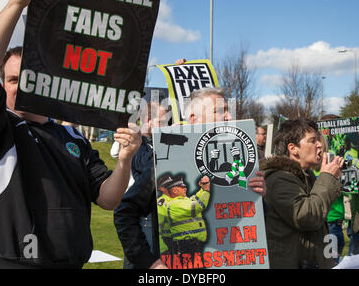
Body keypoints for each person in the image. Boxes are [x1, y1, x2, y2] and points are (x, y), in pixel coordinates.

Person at [0, 0, 141, 269]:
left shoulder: (71, 136)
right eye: (12, 79)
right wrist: (15, 4)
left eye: (28, 75)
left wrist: (124, 161)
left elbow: (108, 199)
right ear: (2, 85)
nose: (21, 85)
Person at [114, 85, 267, 269]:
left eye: (228, 111)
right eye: (221, 111)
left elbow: (251, 222)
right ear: (194, 119)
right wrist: (149, 263)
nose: (229, 117)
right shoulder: (170, 161)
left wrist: (258, 197)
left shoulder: (239, 160)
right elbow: (125, 214)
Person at [260, 118, 344, 269]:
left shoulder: (306, 176)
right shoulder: (278, 178)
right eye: (312, 141)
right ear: (293, 149)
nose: (319, 145)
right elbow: (307, 217)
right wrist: (327, 178)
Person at [114, 101, 170, 269]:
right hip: (144, 222)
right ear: (147, 120)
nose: (166, 125)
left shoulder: (159, 144)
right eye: (161, 121)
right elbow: (146, 165)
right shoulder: (138, 145)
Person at [157, 174, 210, 261]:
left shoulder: (179, 200)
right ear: (162, 189)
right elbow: (159, 227)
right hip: (170, 244)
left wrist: (202, 189)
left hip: (184, 243)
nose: (185, 188)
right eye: (167, 185)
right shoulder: (163, 203)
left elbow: (193, 200)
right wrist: (206, 189)